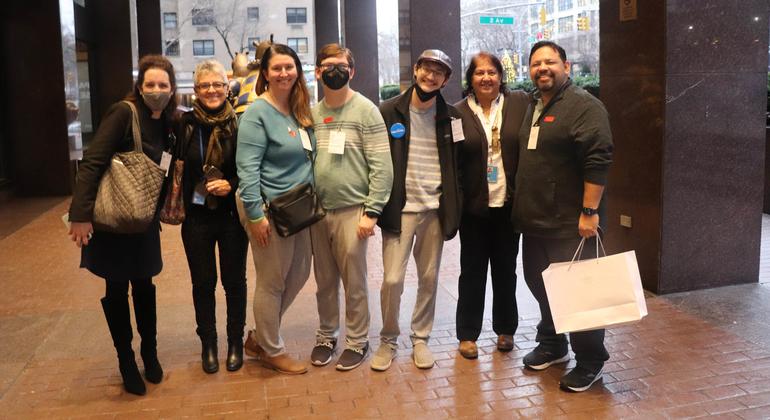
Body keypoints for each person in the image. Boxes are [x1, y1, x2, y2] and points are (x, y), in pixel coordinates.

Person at [68, 55, 177, 396]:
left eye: (163, 85)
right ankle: (126, 360)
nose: (156, 90)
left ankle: (150, 352)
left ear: (172, 89)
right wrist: (79, 215)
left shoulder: (168, 123)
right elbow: (93, 161)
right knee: (116, 290)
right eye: (150, 85)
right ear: (139, 87)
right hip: (114, 221)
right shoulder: (123, 113)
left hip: (142, 221)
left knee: (144, 286)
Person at [513, 41, 613, 392]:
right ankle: (554, 343)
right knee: (541, 285)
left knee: (579, 292)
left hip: (571, 223)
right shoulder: (534, 105)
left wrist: (589, 211)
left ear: (566, 66)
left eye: (550, 62)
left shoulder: (585, 107)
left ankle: (591, 360)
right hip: (535, 220)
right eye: (536, 63)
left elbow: (598, 160)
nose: (543, 68)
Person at [373, 49, 462, 371]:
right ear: (416, 70)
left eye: (439, 72)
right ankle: (387, 339)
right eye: (426, 68)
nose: (431, 76)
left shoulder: (452, 117)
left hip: (434, 211)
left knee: (429, 277)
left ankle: (421, 338)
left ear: (446, 80)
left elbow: (457, 165)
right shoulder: (389, 111)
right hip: (400, 210)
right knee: (392, 279)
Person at [309, 44, 393, 371]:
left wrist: (371, 212)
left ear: (351, 71)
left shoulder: (366, 110)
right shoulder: (312, 114)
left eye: (341, 65)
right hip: (318, 212)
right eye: (328, 65)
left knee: (354, 282)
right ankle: (326, 335)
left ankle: (357, 340)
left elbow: (382, 166)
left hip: (352, 211)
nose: (334, 70)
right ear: (317, 71)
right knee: (324, 281)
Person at [236, 44, 316, 375]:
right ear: (265, 73)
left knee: (298, 274)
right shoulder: (258, 113)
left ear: (297, 70)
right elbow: (246, 168)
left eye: (290, 66)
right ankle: (271, 348)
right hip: (267, 208)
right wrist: (255, 215)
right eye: (277, 68)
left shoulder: (299, 109)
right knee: (272, 281)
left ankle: (259, 337)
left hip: (297, 208)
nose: (284, 73)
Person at [453, 52, 529, 360]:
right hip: (473, 209)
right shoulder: (456, 113)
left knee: (506, 271)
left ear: (501, 76)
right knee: (471, 272)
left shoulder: (519, 105)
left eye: (492, 72)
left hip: (508, 206)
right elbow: (453, 162)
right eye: (479, 72)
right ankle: (468, 335)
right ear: (470, 78)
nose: (486, 77)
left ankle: (505, 330)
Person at [176, 59, 248, 374]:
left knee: (234, 282)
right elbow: (173, 165)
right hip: (196, 217)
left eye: (217, 84)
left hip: (232, 215)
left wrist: (230, 184)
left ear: (227, 86)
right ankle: (208, 343)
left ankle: (235, 342)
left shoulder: (239, 123)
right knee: (203, 283)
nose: (212, 90)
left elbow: (249, 168)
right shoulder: (185, 124)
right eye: (205, 85)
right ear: (196, 90)